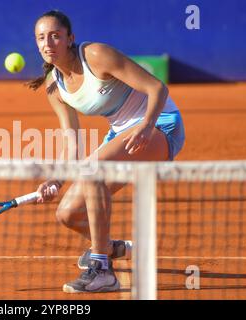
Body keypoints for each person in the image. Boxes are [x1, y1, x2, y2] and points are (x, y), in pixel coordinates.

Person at [28, 10, 185, 293]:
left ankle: (102, 270)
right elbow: (71, 141)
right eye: (41, 38)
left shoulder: (96, 55)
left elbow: (157, 88)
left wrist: (148, 125)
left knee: (93, 169)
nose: (48, 43)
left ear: (70, 38)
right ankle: (112, 248)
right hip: (121, 134)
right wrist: (56, 180)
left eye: (55, 35)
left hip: (160, 124)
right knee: (68, 213)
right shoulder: (54, 85)